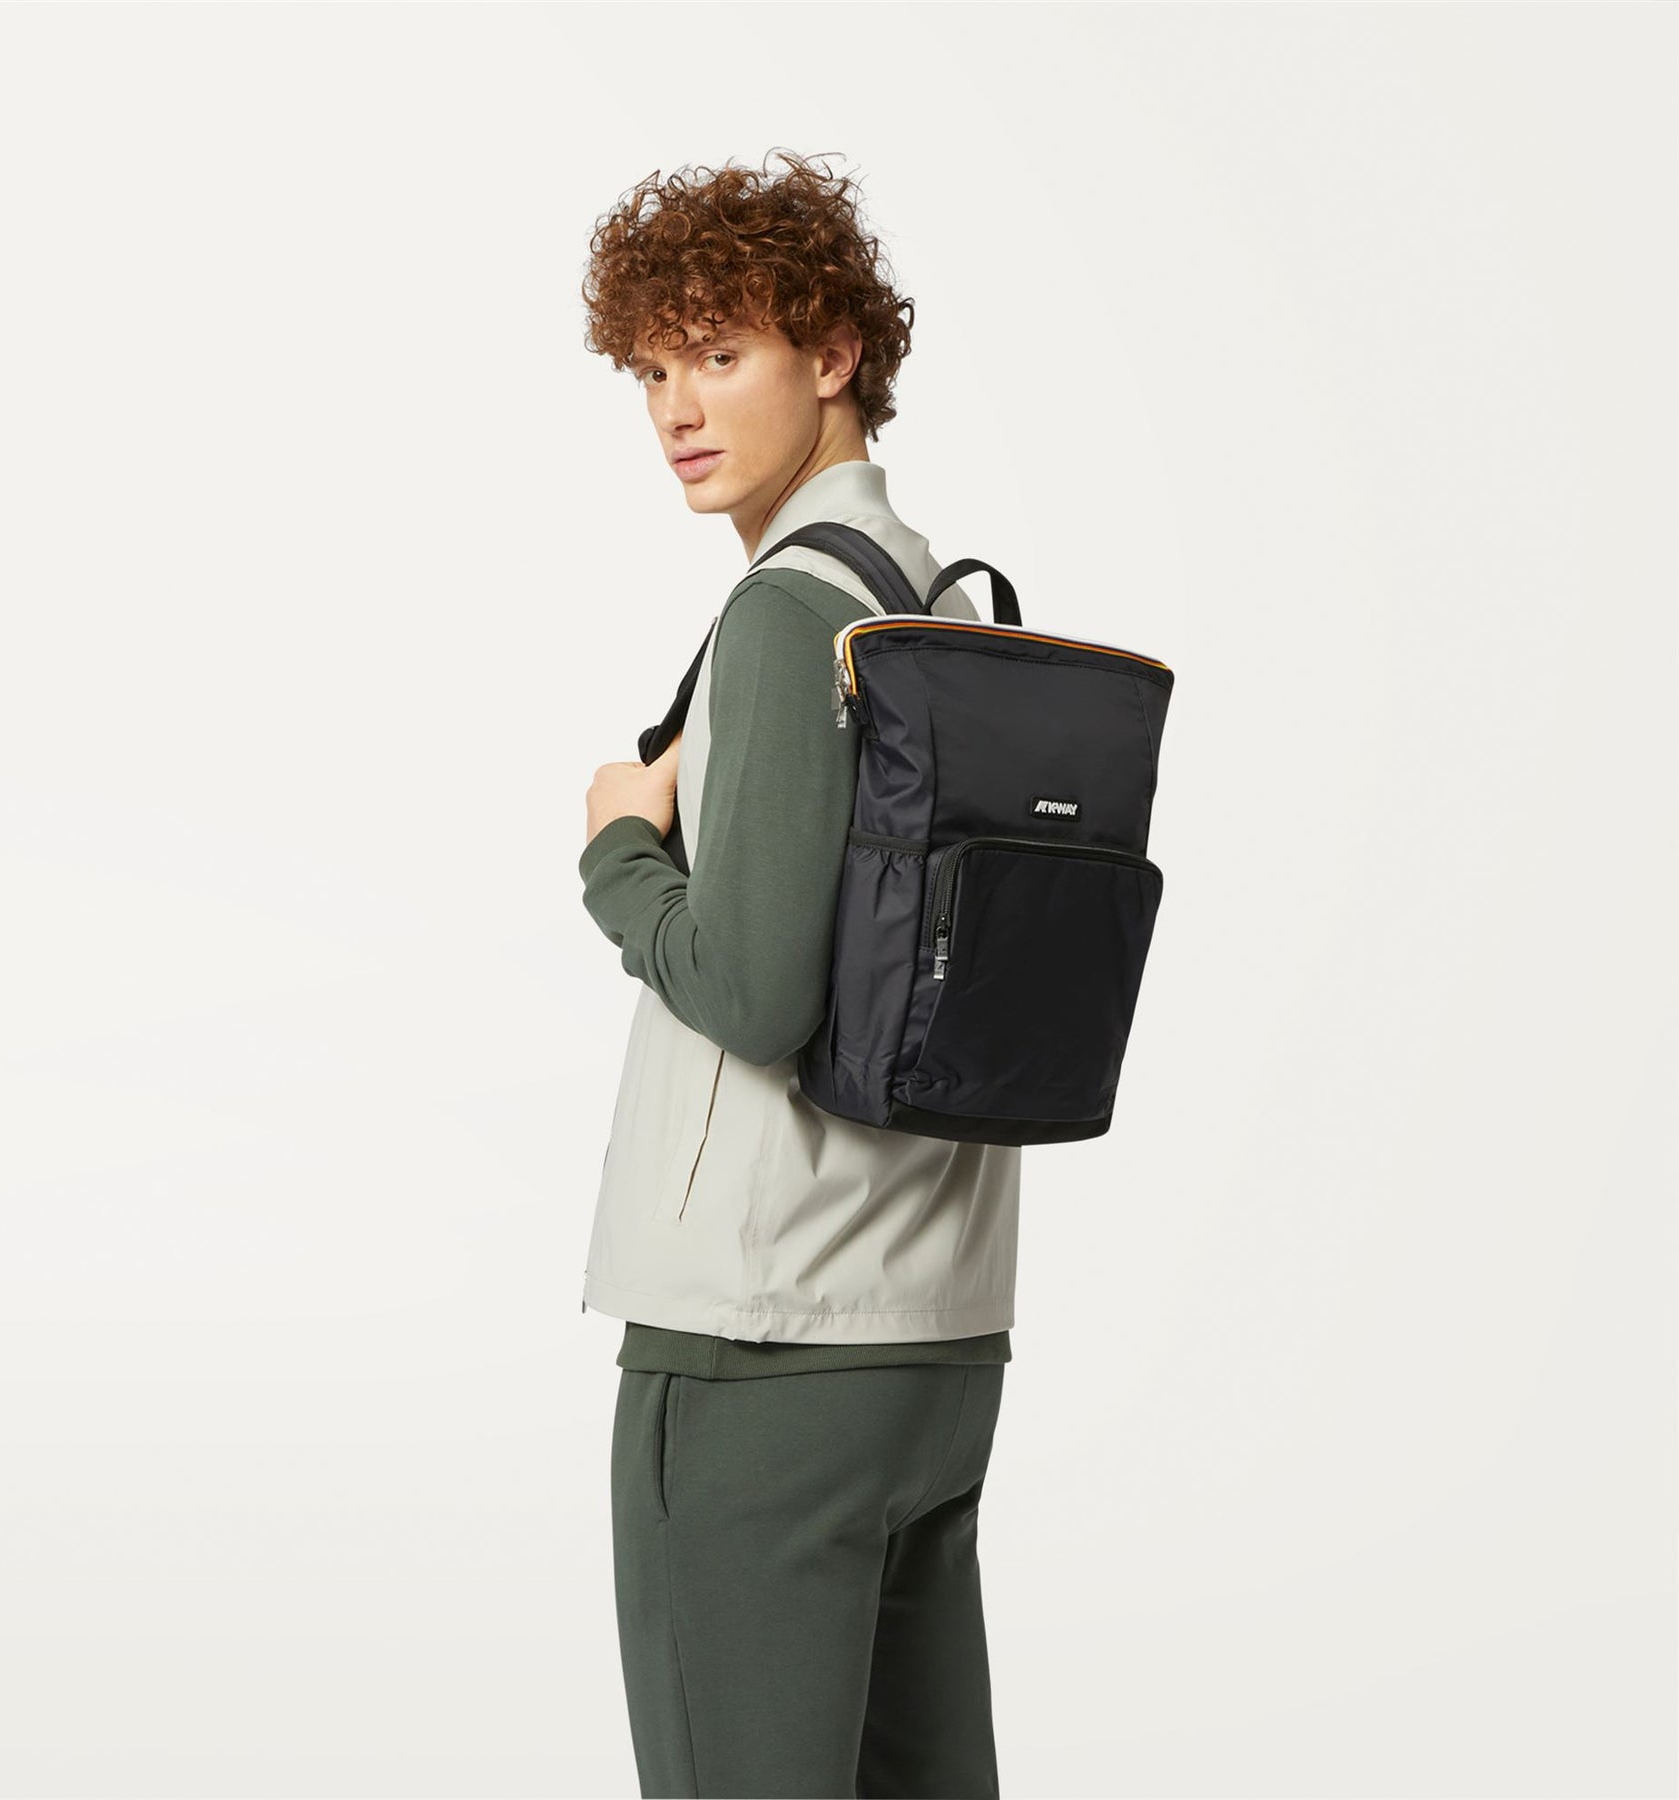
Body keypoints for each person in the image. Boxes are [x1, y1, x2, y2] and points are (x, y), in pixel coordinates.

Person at [576, 151, 1021, 1800]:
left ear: (833, 354)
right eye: (652, 370)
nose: (678, 410)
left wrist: (619, 853)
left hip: (759, 1349)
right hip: (934, 1343)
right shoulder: (941, 605)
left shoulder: (785, 616)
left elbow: (758, 995)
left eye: (720, 353)